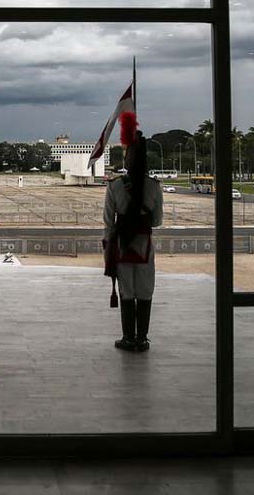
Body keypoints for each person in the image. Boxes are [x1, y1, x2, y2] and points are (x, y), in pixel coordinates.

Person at [103, 112, 163, 352]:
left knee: (127, 292)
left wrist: (108, 246)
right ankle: (142, 338)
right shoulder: (154, 186)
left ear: (128, 159)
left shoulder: (115, 186)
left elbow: (108, 221)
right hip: (145, 246)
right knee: (145, 292)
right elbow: (156, 221)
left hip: (122, 246)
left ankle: (129, 338)